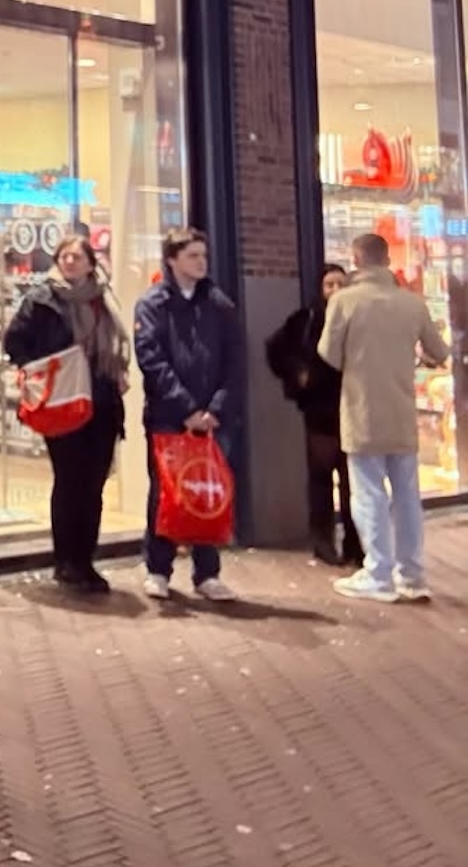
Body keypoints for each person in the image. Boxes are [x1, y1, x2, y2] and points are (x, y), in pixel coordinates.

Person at [319, 232, 451, 603]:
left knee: (368, 494)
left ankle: (378, 573)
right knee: (407, 495)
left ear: (356, 259)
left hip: (362, 410)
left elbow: (328, 353)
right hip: (402, 410)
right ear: (387, 259)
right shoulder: (412, 304)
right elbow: (439, 351)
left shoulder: (344, 301)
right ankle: (411, 574)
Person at [3, 235, 131, 594]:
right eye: (64, 256)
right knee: (69, 480)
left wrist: (119, 370)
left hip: (102, 400)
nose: (70, 262)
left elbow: (118, 343)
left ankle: (86, 560)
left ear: (91, 263)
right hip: (63, 400)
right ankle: (66, 562)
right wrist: (42, 370)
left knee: (94, 484)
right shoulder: (42, 298)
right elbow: (15, 342)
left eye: (77, 256)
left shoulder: (104, 299)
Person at [135, 227, 243, 601]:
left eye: (203, 255)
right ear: (172, 260)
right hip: (168, 416)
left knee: (208, 489)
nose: (201, 262)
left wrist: (215, 408)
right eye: (192, 255)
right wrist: (186, 408)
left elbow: (234, 360)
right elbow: (152, 359)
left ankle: (207, 572)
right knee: (166, 490)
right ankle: (158, 569)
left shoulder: (219, 304)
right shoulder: (153, 304)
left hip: (211, 419)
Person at [265, 263, 363, 566]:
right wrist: (298, 376)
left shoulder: (357, 318)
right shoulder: (305, 319)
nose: (335, 291)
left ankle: (355, 542)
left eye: (340, 284)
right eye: (329, 285)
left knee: (353, 481)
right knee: (321, 478)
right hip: (320, 409)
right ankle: (323, 541)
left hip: (353, 407)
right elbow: (275, 348)